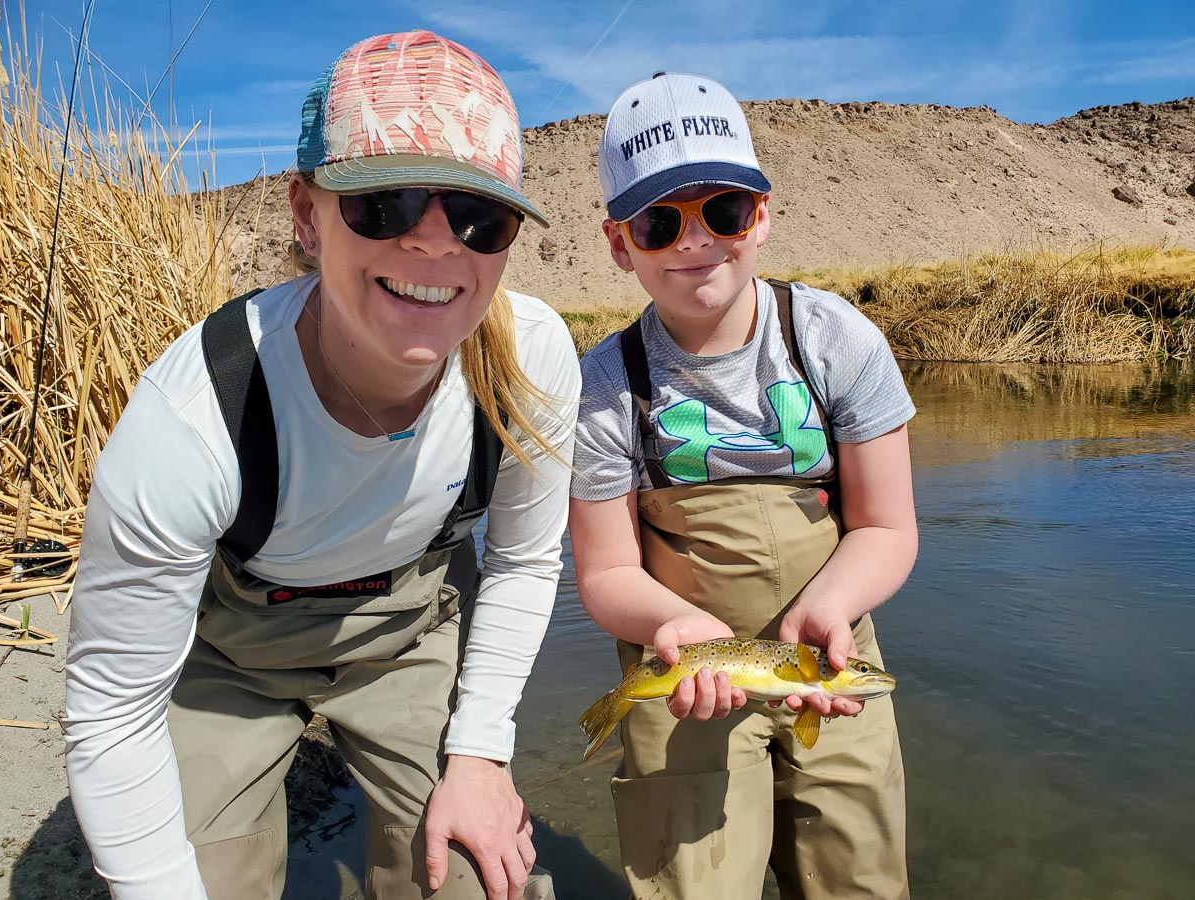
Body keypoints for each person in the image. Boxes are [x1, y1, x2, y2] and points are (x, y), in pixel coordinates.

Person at [63, 31, 578, 900]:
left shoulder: (533, 358)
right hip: (230, 649)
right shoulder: (198, 417)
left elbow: (524, 560)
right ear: (306, 215)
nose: (432, 243)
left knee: (476, 881)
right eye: (385, 203)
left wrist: (482, 752)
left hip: (413, 627)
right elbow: (111, 710)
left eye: (477, 217)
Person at [568, 71, 918, 900]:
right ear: (619, 243)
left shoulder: (836, 340)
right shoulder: (603, 386)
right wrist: (676, 626)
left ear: (761, 215)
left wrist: (827, 611)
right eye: (658, 222)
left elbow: (886, 527)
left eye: (721, 210)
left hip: (829, 651)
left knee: (857, 880)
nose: (695, 241)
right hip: (679, 671)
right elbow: (607, 573)